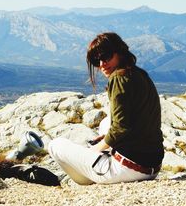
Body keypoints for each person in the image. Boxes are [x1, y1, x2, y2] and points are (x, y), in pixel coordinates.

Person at [48, 32, 164, 185]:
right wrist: (107, 141)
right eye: (97, 60)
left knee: (55, 145)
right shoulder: (139, 74)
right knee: (105, 123)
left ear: (119, 53)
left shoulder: (118, 78)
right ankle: (95, 166)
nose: (102, 64)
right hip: (152, 166)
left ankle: (86, 182)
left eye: (106, 56)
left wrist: (94, 150)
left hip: (128, 170)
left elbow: (120, 129)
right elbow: (133, 122)